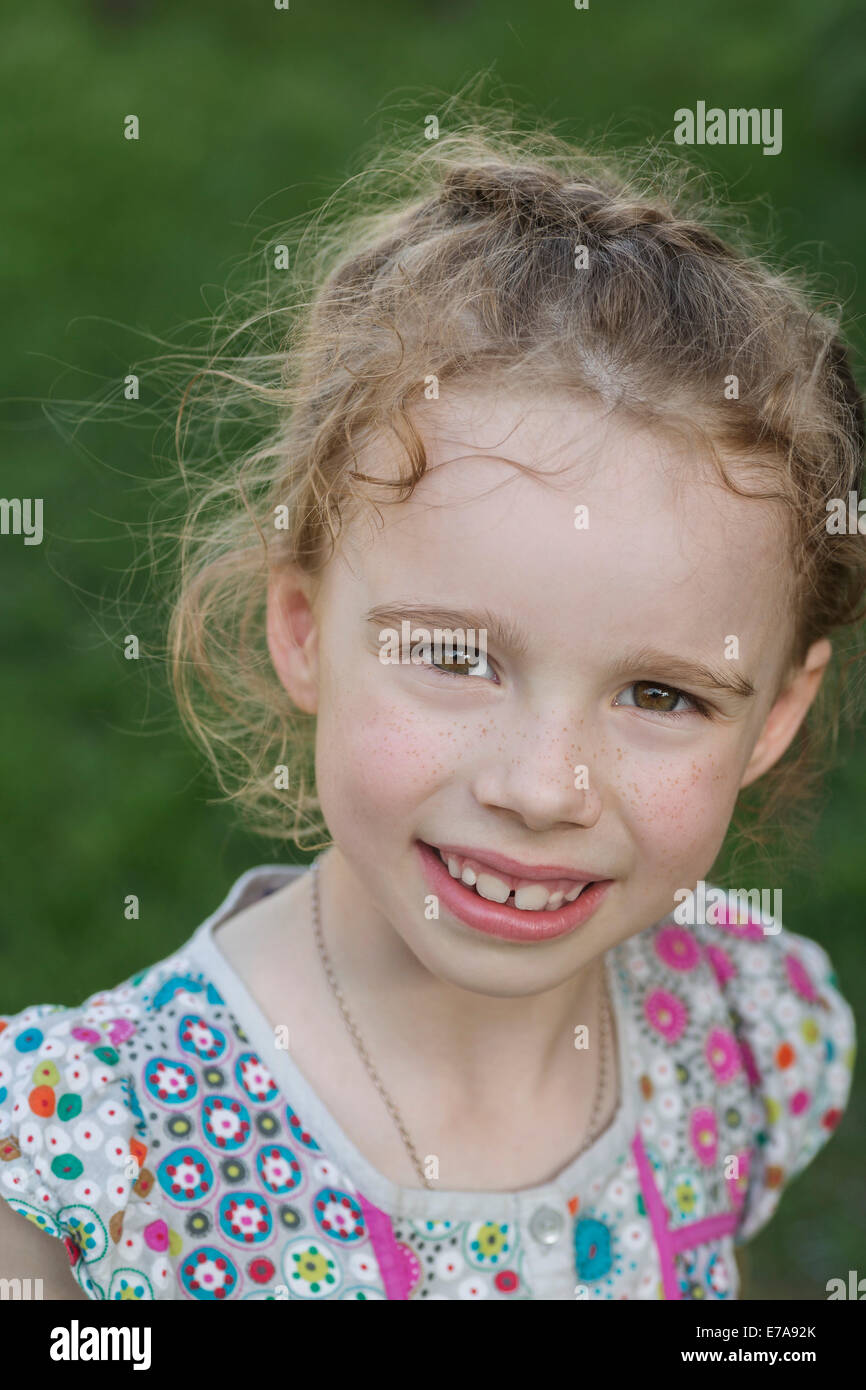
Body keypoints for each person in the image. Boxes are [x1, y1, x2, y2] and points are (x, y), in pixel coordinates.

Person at [0, 111, 859, 1301]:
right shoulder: (100, 1151)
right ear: (300, 627)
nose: (540, 785)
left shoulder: (733, 1030)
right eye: (456, 656)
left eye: (659, 693)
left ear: (770, 716)